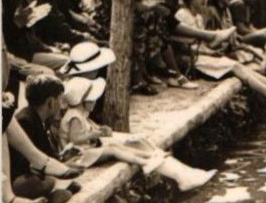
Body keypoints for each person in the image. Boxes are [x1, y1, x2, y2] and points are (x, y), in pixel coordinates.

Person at [56, 76, 216, 191]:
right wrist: (96, 135)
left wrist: (100, 130)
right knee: (116, 148)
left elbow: (89, 130)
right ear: (84, 100)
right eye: (92, 100)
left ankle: (182, 172)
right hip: (78, 155)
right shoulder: (74, 116)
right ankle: (150, 162)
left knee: (138, 140)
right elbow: (76, 138)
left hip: (87, 148)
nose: (95, 102)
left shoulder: (81, 114)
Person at [174, 0, 266, 100]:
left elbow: (202, 45)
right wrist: (209, 52)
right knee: (236, 67)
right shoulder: (182, 15)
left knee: (238, 66)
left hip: (202, 56)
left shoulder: (198, 17)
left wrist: (211, 52)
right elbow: (181, 46)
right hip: (193, 60)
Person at [6, 75, 84, 203]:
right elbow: (22, 165)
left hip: (37, 172)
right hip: (18, 180)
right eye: (59, 101)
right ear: (51, 102)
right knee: (35, 183)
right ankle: (51, 194)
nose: (61, 106)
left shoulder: (41, 119)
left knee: (68, 176)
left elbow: (46, 154)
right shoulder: (25, 121)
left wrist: (66, 158)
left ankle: (53, 192)